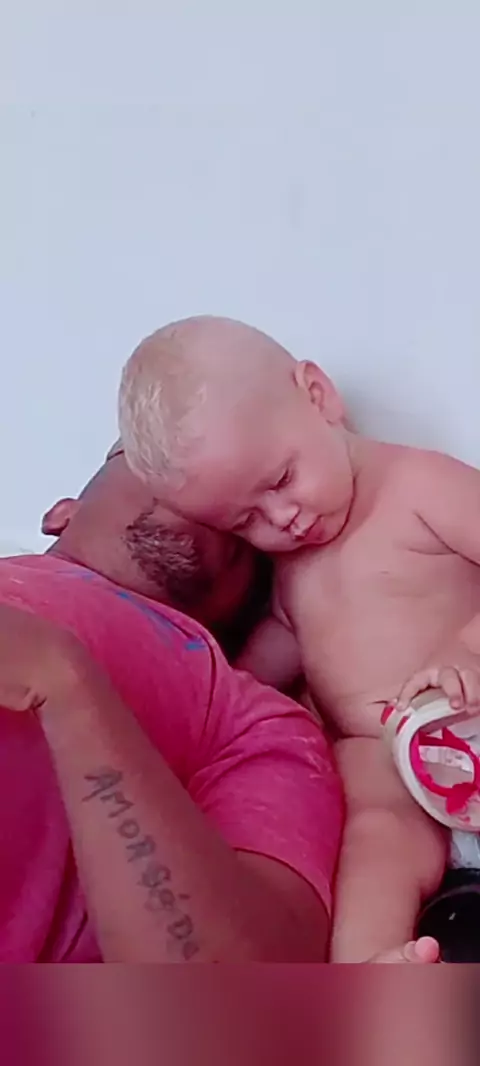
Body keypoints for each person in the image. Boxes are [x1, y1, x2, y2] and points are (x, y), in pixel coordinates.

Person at [118, 314, 480, 963]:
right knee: (371, 845)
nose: (283, 519)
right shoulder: (290, 569)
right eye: (246, 521)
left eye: (282, 480)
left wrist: (469, 647)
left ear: (318, 396)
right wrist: (218, 697)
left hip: (469, 715)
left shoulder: (418, 486)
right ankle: (372, 969)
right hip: (384, 760)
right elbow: (278, 650)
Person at [0, 444, 342, 962]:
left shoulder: (254, 721)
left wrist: (67, 689)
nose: (219, 484)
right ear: (61, 513)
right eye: (166, 451)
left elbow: (249, 993)